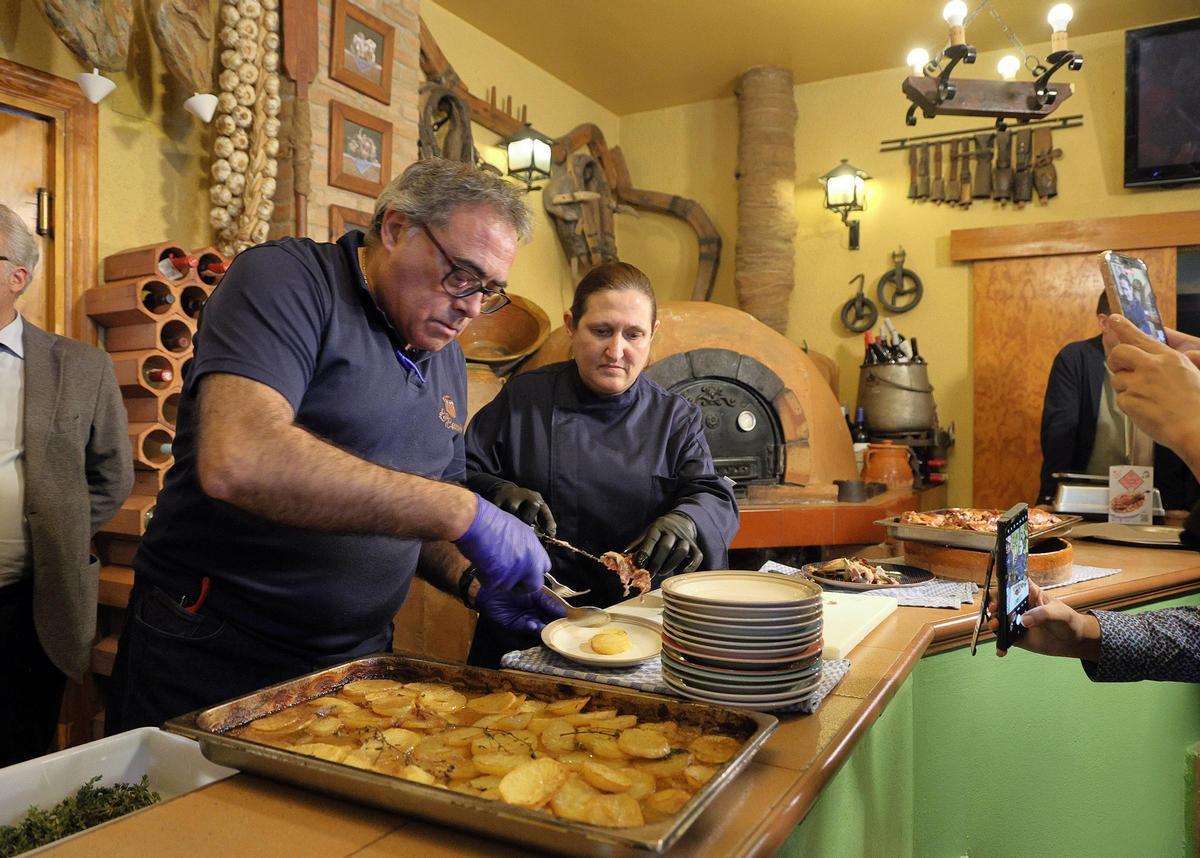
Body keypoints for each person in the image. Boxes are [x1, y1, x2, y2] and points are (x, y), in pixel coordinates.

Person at [106, 159, 559, 733]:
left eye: (490, 289)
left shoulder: (441, 349)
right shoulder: (286, 280)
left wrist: (473, 580)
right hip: (215, 648)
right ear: (395, 228)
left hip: (357, 660)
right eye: (462, 275)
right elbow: (240, 460)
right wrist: (463, 511)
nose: (472, 306)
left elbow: (416, 511)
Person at [463, 261, 739, 667]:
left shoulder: (674, 418)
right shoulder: (525, 399)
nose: (616, 351)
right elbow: (460, 472)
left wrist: (687, 520)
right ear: (572, 326)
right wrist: (498, 491)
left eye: (633, 334)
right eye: (601, 331)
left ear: (652, 337)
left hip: (637, 627)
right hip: (530, 610)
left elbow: (711, 493)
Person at [992, 314, 1200, 681]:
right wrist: (1085, 633)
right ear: (1106, 322)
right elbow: (1191, 640)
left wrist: (1190, 431)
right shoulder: (1076, 359)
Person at [0, 205, 133, 764]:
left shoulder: (82, 367)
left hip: (32, 602)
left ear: (16, 276)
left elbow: (112, 474)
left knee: (20, 750)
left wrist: (57, 527)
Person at [1037, 291, 1197, 510]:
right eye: (1132, 320)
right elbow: (1060, 430)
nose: (1140, 328)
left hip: (1159, 501)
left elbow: (1181, 433)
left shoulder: (1168, 365)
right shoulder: (1075, 358)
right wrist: (1050, 495)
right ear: (1104, 323)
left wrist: (1185, 504)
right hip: (1087, 498)